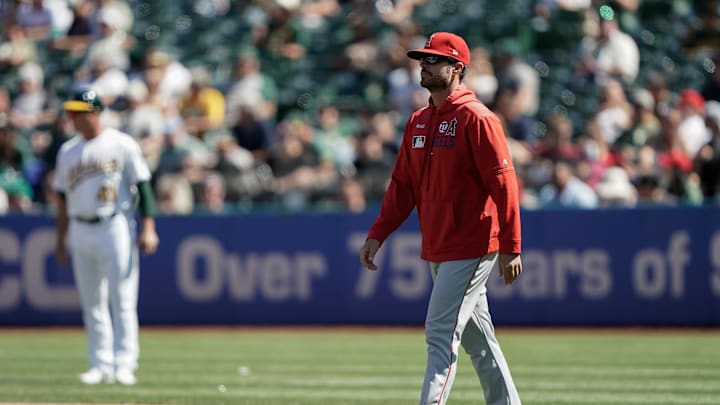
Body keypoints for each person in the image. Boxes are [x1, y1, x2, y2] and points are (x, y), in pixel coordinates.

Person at [358, 32, 523, 405]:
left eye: (434, 60)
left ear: (457, 69)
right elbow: (402, 186)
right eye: (423, 59)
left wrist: (512, 245)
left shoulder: (477, 118)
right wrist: (378, 233)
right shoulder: (418, 120)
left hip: (472, 242)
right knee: (480, 341)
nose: (425, 64)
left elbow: (504, 184)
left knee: (439, 333)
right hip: (437, 243)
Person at [52, 88, 159, 386]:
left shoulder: (121, 144)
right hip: (80, 227)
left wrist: (149, 227)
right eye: (72, 113)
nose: (73, 118)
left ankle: (125, 363)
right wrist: (60, 238)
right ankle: (100, 363)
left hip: (115, 225)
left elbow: (145, 188)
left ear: (96, 112)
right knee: (92, 302)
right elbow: (61, 198)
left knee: (122, 299)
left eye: (79, 112)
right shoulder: (67, 151)